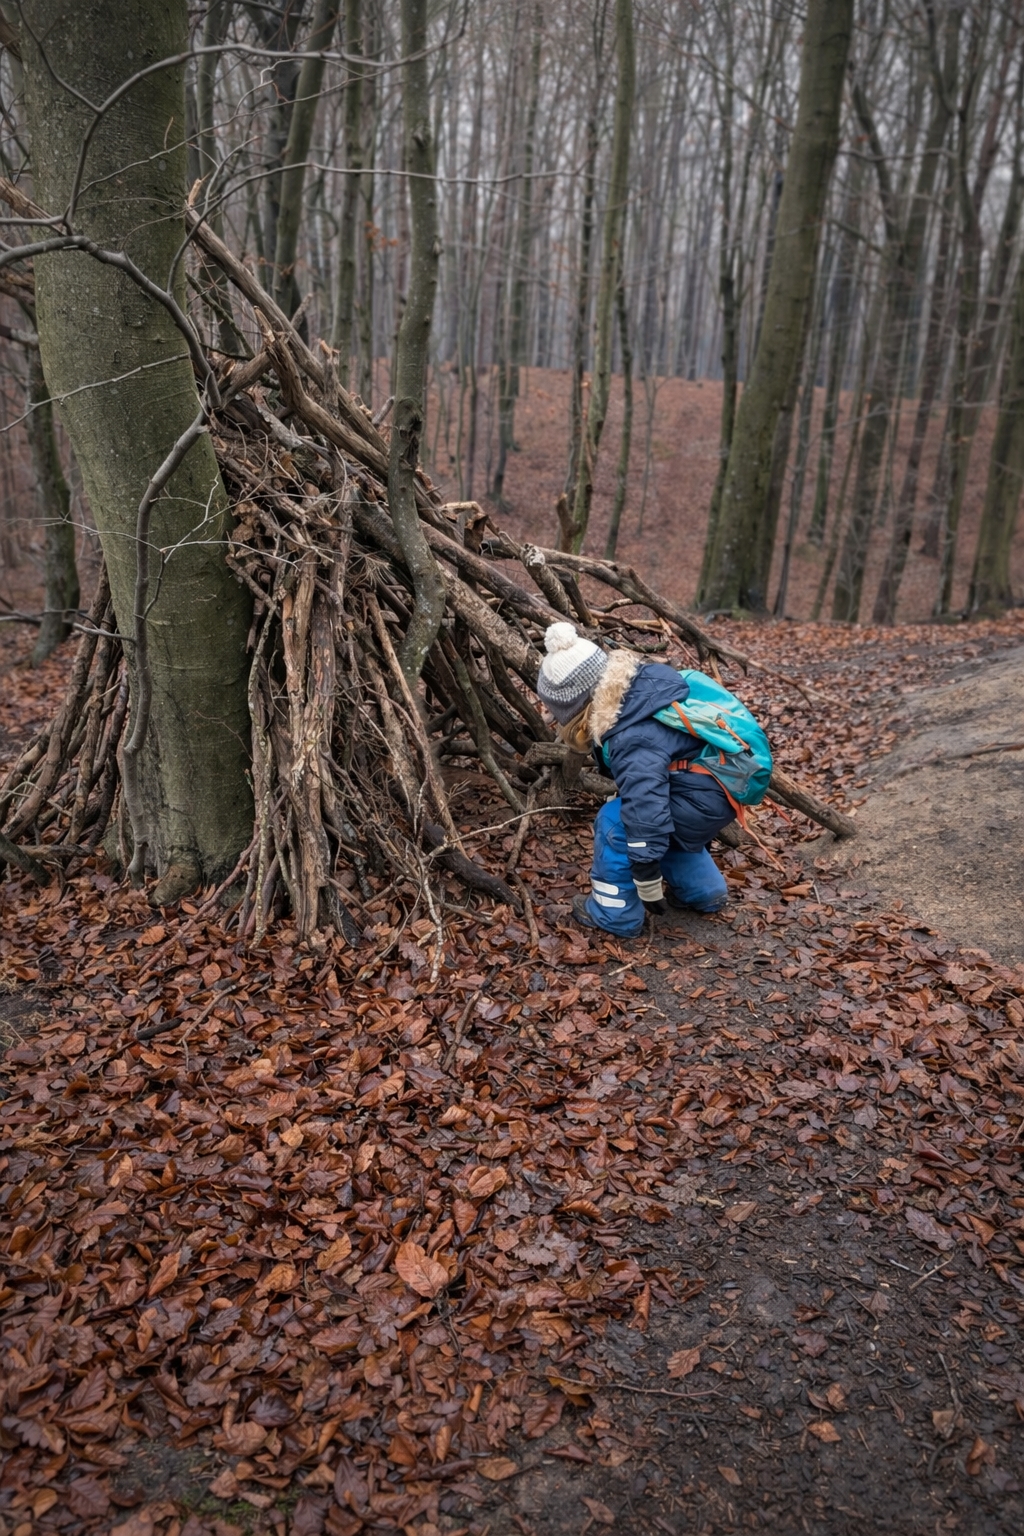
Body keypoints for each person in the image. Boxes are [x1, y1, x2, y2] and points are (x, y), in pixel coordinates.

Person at [535, 622, 735, 937]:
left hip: (698, 798)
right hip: (713, 793)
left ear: (576, 707)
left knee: (618, 822)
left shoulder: (630, 734)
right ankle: (706, 891)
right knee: (659, 821)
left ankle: (615, 915)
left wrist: (645, 870)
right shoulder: (642, 690)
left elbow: (645, 805)